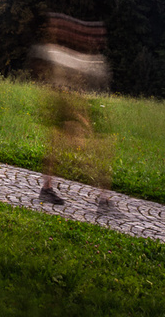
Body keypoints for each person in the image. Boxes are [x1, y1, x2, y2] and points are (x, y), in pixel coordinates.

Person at [30, 13, 114, 209]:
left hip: (71, 108)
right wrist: (78, 115)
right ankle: (102, 197)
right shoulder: (62, 54)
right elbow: (61, 85)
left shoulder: (80, 57)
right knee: (90, 150)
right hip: (67, 108)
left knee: (61, 148)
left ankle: (50, 187)